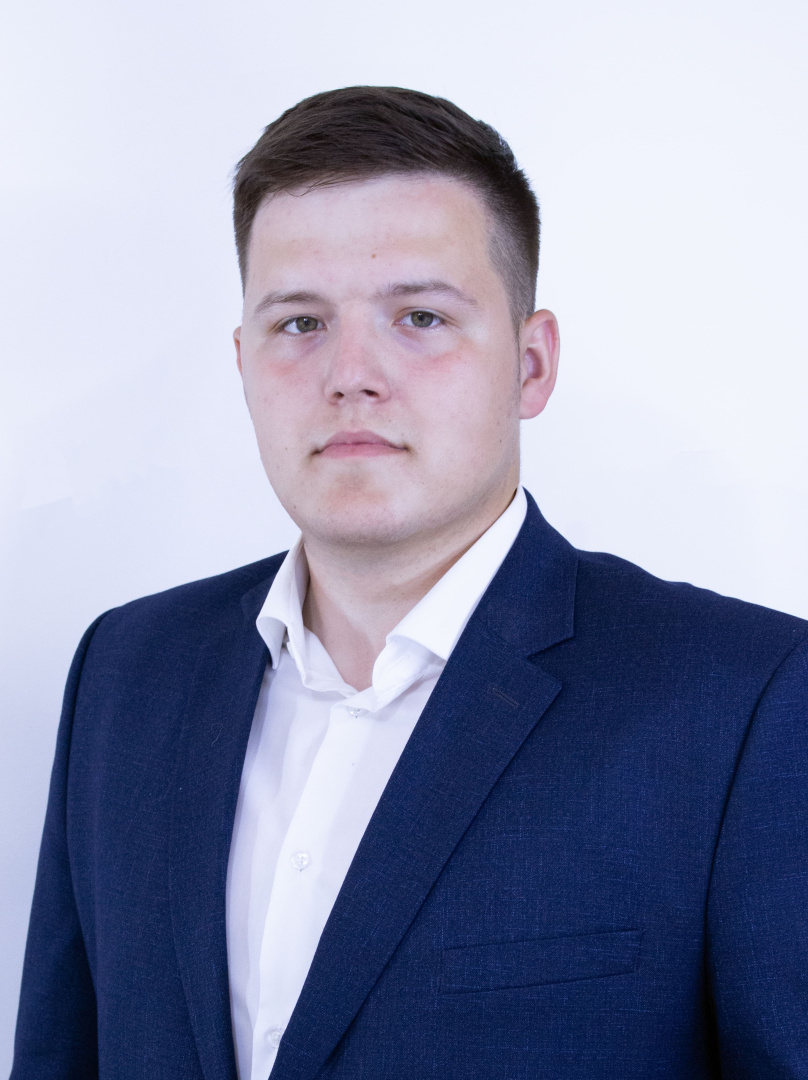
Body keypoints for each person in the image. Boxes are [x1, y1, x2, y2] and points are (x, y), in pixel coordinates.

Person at [10, 86, 808, 1080]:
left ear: (530, 364)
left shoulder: (744, 700)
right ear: (243, 361)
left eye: (420, 317)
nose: (352, 374)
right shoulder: (127, 673)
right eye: (300, 323)